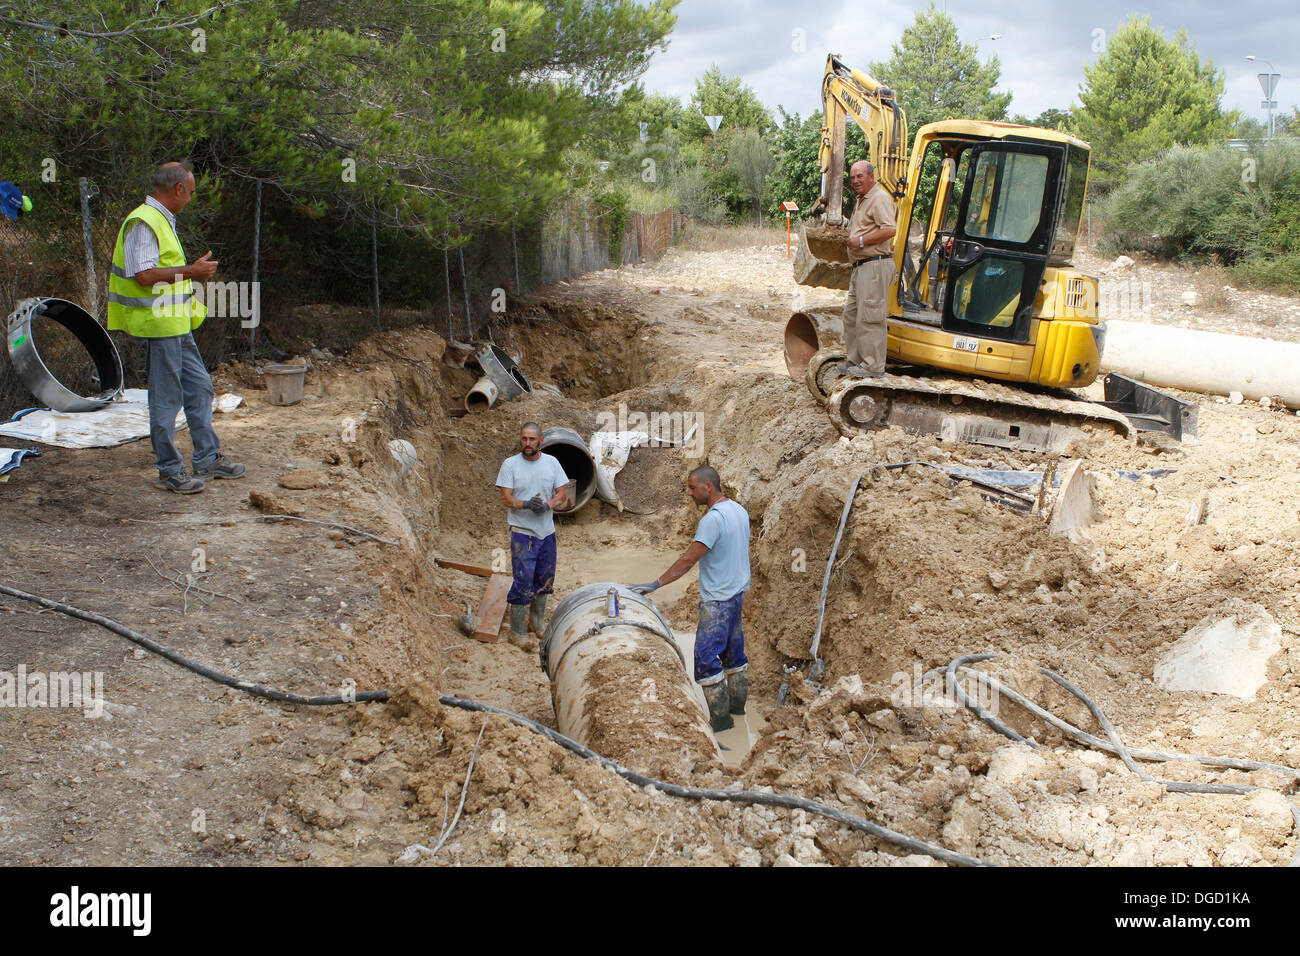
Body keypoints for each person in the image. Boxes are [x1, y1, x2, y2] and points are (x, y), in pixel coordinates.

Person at [107, 161, 244, 493]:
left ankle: (207, 458)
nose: (191, 199)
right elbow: (144, 276)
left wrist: (189, 271)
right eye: (191, 192)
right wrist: (192, 272)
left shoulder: (159, 220)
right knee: (167, 399)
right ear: (178, 188)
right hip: (158, 325)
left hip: (174, 323)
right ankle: (169, 470)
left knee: (199, 389)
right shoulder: (144, 222)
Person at [631, 466, 750, 732]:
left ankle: (721, 723)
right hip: (736, 595)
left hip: (717, 601)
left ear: (708, 487)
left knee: (706, 659)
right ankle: (739, 714)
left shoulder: (712, 520)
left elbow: (687, 560)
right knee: (735, 656)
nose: (688, 493)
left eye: (692, 487)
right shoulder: (739, 511)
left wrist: (656, 583)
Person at [496, 423, 574, 649]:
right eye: (524, 439)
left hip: (546, 532)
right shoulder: (510, 465)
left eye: (532, 439)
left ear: (540, 440)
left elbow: (562, 492)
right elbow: (505, 498)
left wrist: (548, 505)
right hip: (523, 533)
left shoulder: (552, 463)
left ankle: (536, 623)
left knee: (545, 578)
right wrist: (526, 504)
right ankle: (517, 631)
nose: (527, 444)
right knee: (523, 580)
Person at [841, 159, 898, 378]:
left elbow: (889, 229)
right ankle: (856, 360)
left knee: (870, 316)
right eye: (853, 177)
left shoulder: (879, 198)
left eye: (860, 176)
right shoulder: (862, 200)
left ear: (871, 176)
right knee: (851, 315)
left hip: (874, 265)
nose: (855, 180)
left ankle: (873, 366)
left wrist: (861, 241)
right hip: (861, 266)